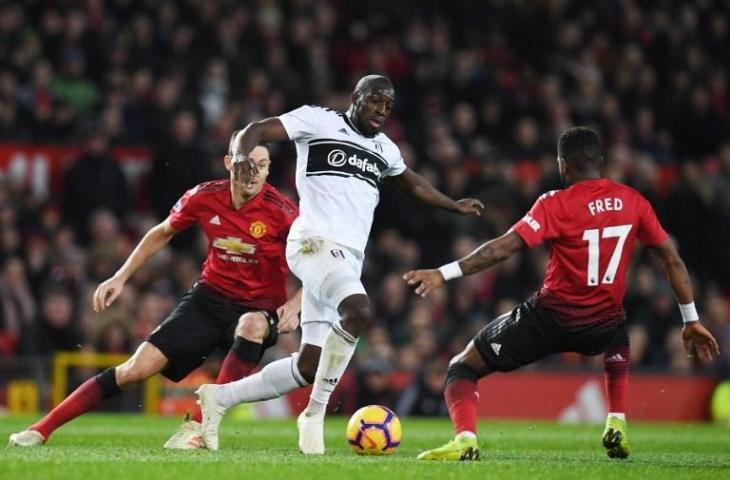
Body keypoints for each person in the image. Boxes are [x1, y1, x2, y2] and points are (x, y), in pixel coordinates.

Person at [195, 74, 484, 454]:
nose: (381, 109)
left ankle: (218, 398)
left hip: (345, 259)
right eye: (375, 100)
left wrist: (453, 204)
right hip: (313, 243)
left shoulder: (385, 149)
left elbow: (412, 184)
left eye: (388, 104)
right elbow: (255, 129)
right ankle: (314, 414)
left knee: (309, 366)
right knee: (359, 310)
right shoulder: (318, 120)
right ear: (355, 98)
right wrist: (244, 157)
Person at [404, 126, 720, 461]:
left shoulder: (555, 203)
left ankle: (465, 440)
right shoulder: (634, 202)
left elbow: (502, 249)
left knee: (462, 366)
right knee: (618, 326)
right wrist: (691, 319)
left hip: (549, 319)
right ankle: (617, 421)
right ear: (600, 161)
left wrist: (443, 272)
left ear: (563, 165)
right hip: (601, 326)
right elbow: (672, 259)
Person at [9, 133, 300, 450]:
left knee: (252, 325)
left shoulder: (284, 212)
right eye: (247, 164)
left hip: (258, 307)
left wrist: (296, 304)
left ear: (269, 169)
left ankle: (200, 429)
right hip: (208, 299)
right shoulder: (203, 197)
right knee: (133, 370)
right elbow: (161, 232)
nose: (254, 173)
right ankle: (41, 429)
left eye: (262, 165)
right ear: (229, 163)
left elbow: (320, 263)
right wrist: (119, 277)